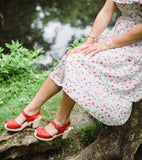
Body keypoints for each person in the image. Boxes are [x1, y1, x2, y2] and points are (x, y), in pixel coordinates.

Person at [5, 0, 142, 141]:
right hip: (118, 34)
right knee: (73, 56)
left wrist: (109, 44)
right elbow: (106, 11)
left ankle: (60, 121)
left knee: (77, 61)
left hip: (136, 46)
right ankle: (31, 110)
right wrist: (89, 42)